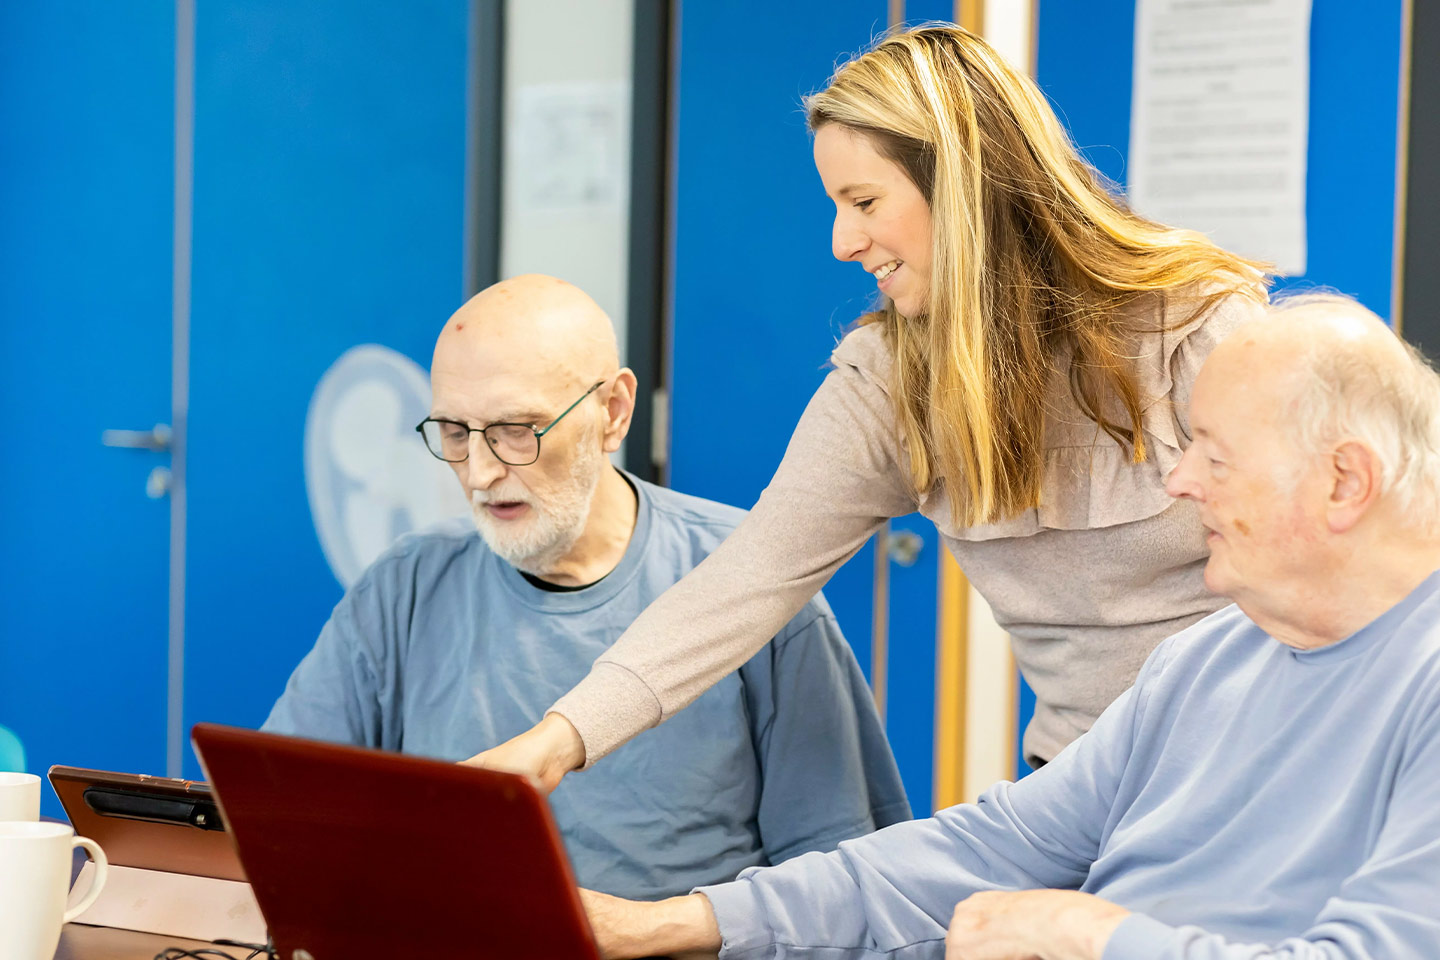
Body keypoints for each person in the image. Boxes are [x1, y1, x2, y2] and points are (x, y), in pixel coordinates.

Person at [468, 25, 1269, 788]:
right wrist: (560, 739)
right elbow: (746, 580)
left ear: (964, 187)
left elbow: (1326, 565)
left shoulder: (1192, 326)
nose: (841, 242)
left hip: (1257, 766)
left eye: (863, 201)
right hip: (1080, 785)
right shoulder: (891, 380)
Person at [577, 294, 1440, 959]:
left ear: (1344, 483)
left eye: (1214, 457)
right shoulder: (1207, 659)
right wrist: (678, 922)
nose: (1179, 486)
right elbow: (995, 846)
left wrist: (1088, 933)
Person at [262, 274, 911, 901]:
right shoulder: (405, 592)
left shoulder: (748, 588)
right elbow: (270, 814)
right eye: (456, 434)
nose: (482, 473)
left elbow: (840, 884)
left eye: (517, 430)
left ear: (614, 412)